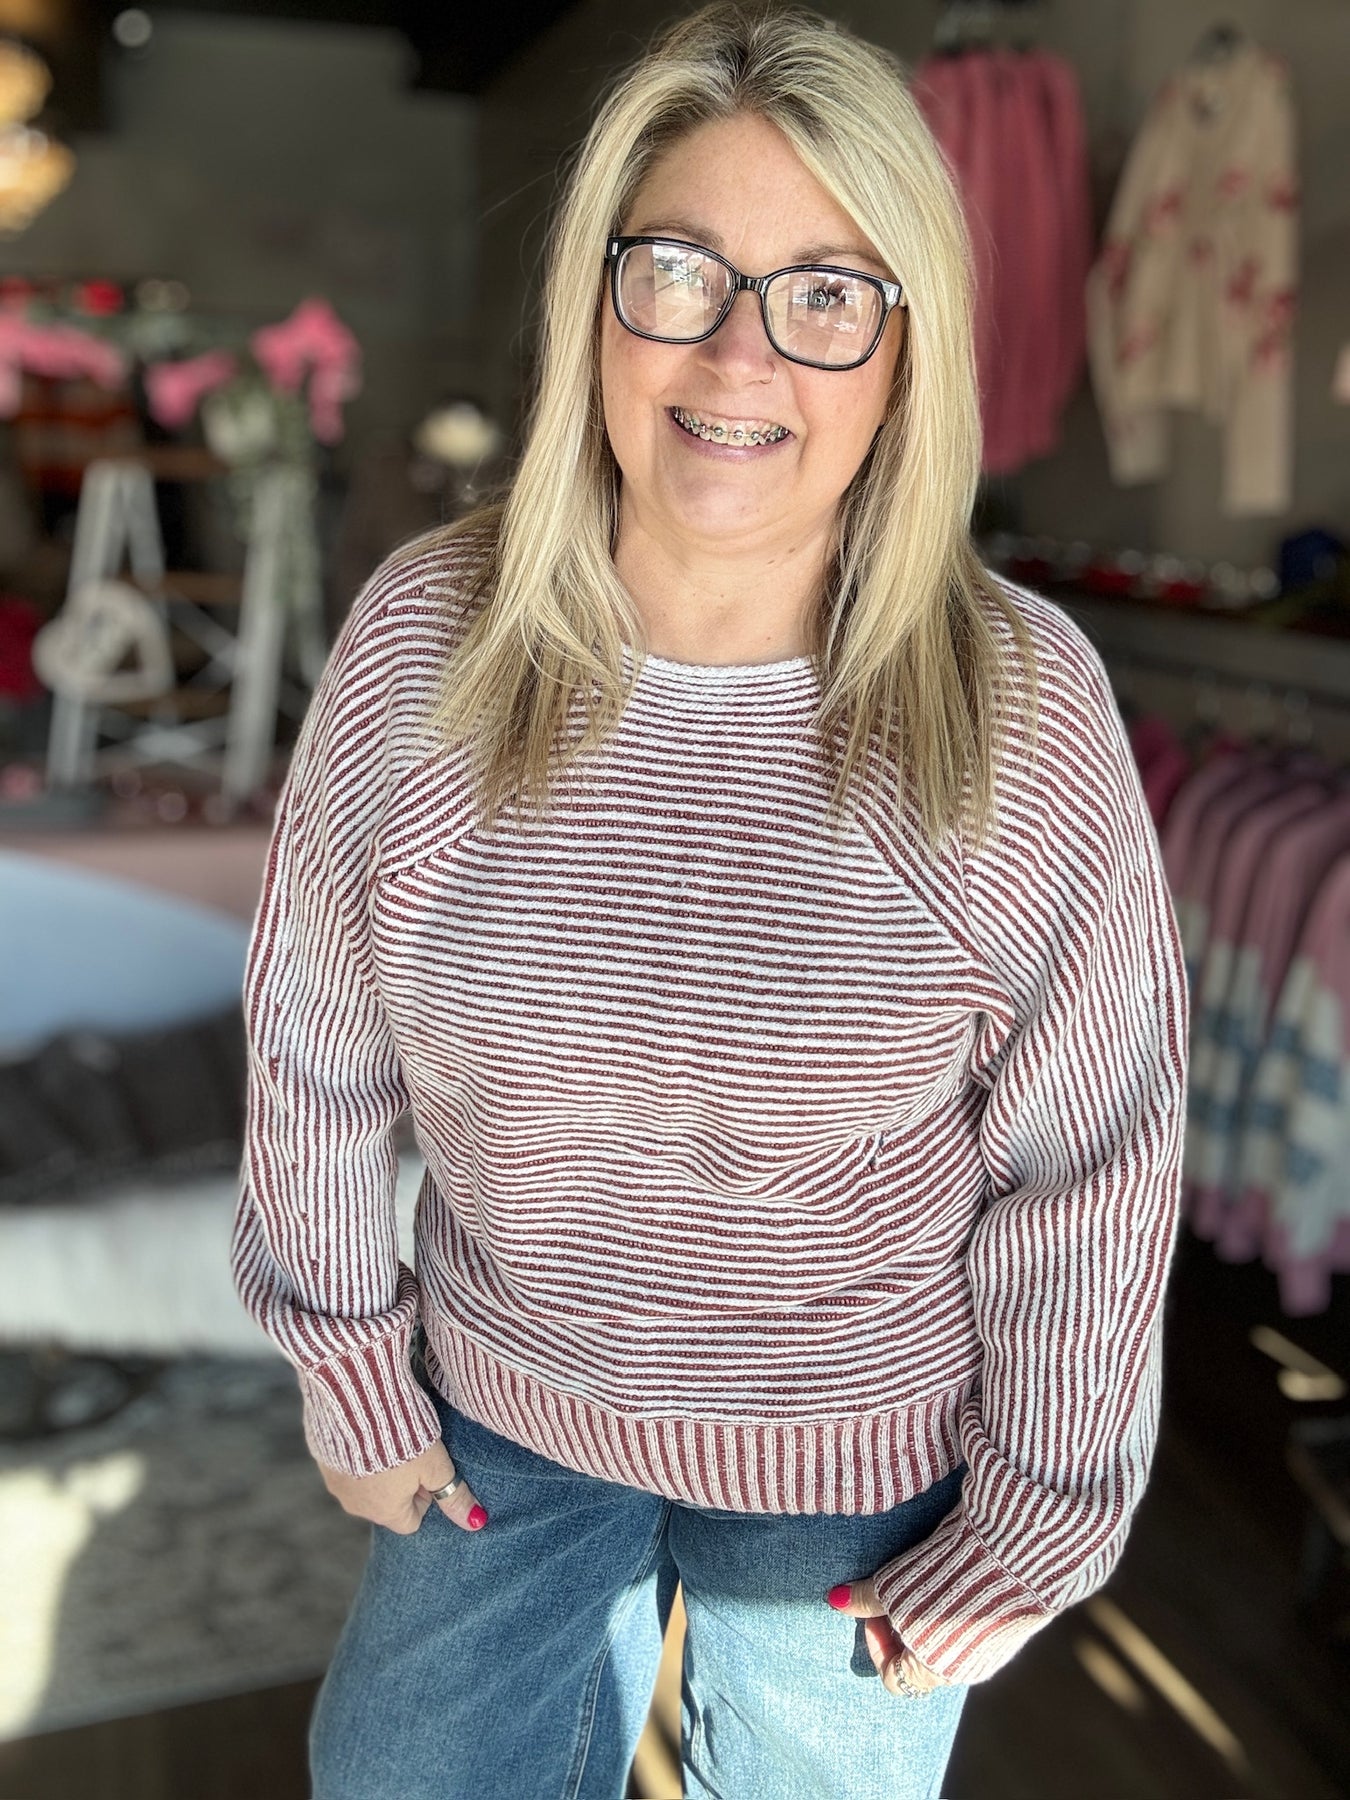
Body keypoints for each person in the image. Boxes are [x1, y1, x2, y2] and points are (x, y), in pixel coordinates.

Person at [231, 6, 1188, 1797]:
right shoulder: (426, 635)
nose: (740, 351)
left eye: (826, 293)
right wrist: (347, 1368)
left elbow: (1094, 1152)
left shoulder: (1015, 699)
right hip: (498, 1409)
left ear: (906, 353)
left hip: (860, 1467)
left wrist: (1042, 1511)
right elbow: (314, 1038)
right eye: (677, 270)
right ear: (594, 301)